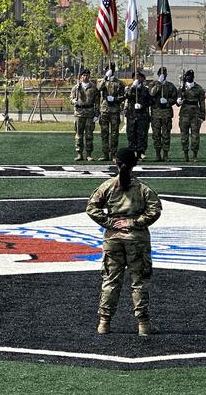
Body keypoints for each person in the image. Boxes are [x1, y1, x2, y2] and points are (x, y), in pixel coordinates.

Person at [86, 147, 162, 337]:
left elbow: (91, 208)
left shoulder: (107, 187)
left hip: (113, 239)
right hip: (137, 240)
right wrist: (134, 222)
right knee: (139, 282)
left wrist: (111, 222)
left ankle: (104, 323)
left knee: (110, 281)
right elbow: (155, 211)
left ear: (115, 163)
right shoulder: (143, 189)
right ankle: (143, 324)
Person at [149, 66, 178, 162]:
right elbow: (151, 94)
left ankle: (165, 155)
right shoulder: (153, 84)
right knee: (156, 135)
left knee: (166, 135)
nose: (163, 76)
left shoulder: (170, 86)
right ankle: (158, 154)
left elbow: (174, 99)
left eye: (164, 74)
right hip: (156, 114)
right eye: (161, 74)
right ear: (158, 75)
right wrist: (159, 84)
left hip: (166, 113)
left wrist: (167, 101)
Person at [96, 64, 125, 161]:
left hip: (114, 110)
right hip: (104, 110)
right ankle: (105, 154)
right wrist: (105, 78)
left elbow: (123, 96)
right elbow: (98, 89)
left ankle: (113, 154)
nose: (110, 70)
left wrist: (115, 99)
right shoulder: (102, 81)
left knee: (114, 133)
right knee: (104, 133)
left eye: (111, 69)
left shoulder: (119, 83)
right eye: (108, 69)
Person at [176, 69, 206, 162]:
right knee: (184, 136)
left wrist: (202, 116)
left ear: (193, 77)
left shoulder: (199, 88)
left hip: (195, 115)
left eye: (191, 76)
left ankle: (195, 155)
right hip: (184, 114)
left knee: (195, 136)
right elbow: (177, 101)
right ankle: (185, 154)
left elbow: (202, 103)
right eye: (188, 76)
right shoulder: (182, 88)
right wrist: (178, 101)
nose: (189, 78)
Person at [70, 69, 99, 161]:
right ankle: (79, 153)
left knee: (89, 135)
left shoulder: (93, 87)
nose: (85, 77)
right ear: (81, 76)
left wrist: (96, 115)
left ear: (89, 76)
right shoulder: (76, 87)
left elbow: (97, 102)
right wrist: (73, 101)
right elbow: (71, 98)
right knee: (79, 134)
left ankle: (89, 154)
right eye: (83, 75)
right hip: (79, 113)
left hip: (90, 113)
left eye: (87, 75)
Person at [124, 70, 152, 159]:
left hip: (142, 115)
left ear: (142, 78)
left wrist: (142, 106)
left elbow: (150, 101)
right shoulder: (128, 88)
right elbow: (127, 96)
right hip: (131, 114)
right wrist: (133, 87)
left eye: (139, 77)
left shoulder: (146, 89)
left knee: (142, 134)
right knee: (131, 134)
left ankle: (141, 152)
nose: (137, 78)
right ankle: (133, 152)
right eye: (135, 77)